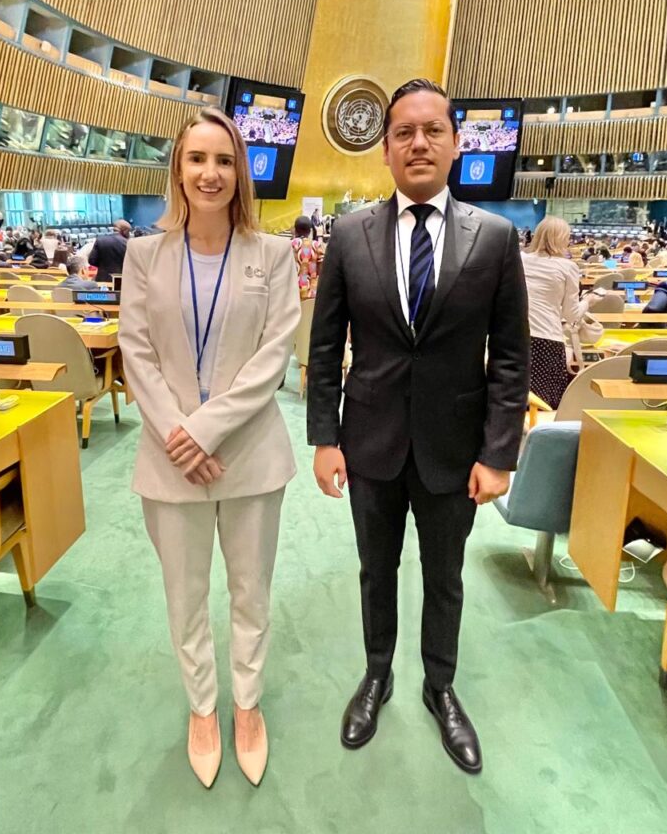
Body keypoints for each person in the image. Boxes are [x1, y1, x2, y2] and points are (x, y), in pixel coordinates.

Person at [307, 79, 530, 775]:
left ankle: (441, 686)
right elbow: (325, 346)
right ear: (386, 150)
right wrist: (324, 438)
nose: (419, 143)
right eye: (404, 132)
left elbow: (511, 356)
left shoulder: (494, 238)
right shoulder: (350, 235)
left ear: (457, 144)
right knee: (376, 571)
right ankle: (377, 675)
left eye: (433, 130)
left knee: (445, 577)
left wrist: (499, 453)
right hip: (369, 443)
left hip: (453, 449)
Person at [119, 107, 300, 789]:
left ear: (240, 173)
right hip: (170, 459)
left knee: (251, 592)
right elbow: (137, 353)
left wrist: (203, 431)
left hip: (249, 455)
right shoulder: (144, 256)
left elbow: (272, 356)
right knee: (185, 595)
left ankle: (246, 705)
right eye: (197, 158)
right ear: (178, 168)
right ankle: (203, 707)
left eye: (224, 160)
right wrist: (179, 433)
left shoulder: (272, 255)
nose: (210, 173)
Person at [522, 217, 603, 409]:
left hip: (514, 339)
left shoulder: (520, 259)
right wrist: (589, 301)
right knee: (544, 406)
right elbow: (572, 315)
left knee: (515, 401)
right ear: (562, 239)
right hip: (547, 340)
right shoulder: (567, 267)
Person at [291, 215, 324, 300]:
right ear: (310, 231)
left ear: (295, 230)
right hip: (312, 292)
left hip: (293, 292)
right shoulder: (316, 245)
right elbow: (322, 269)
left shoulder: (290, 244)